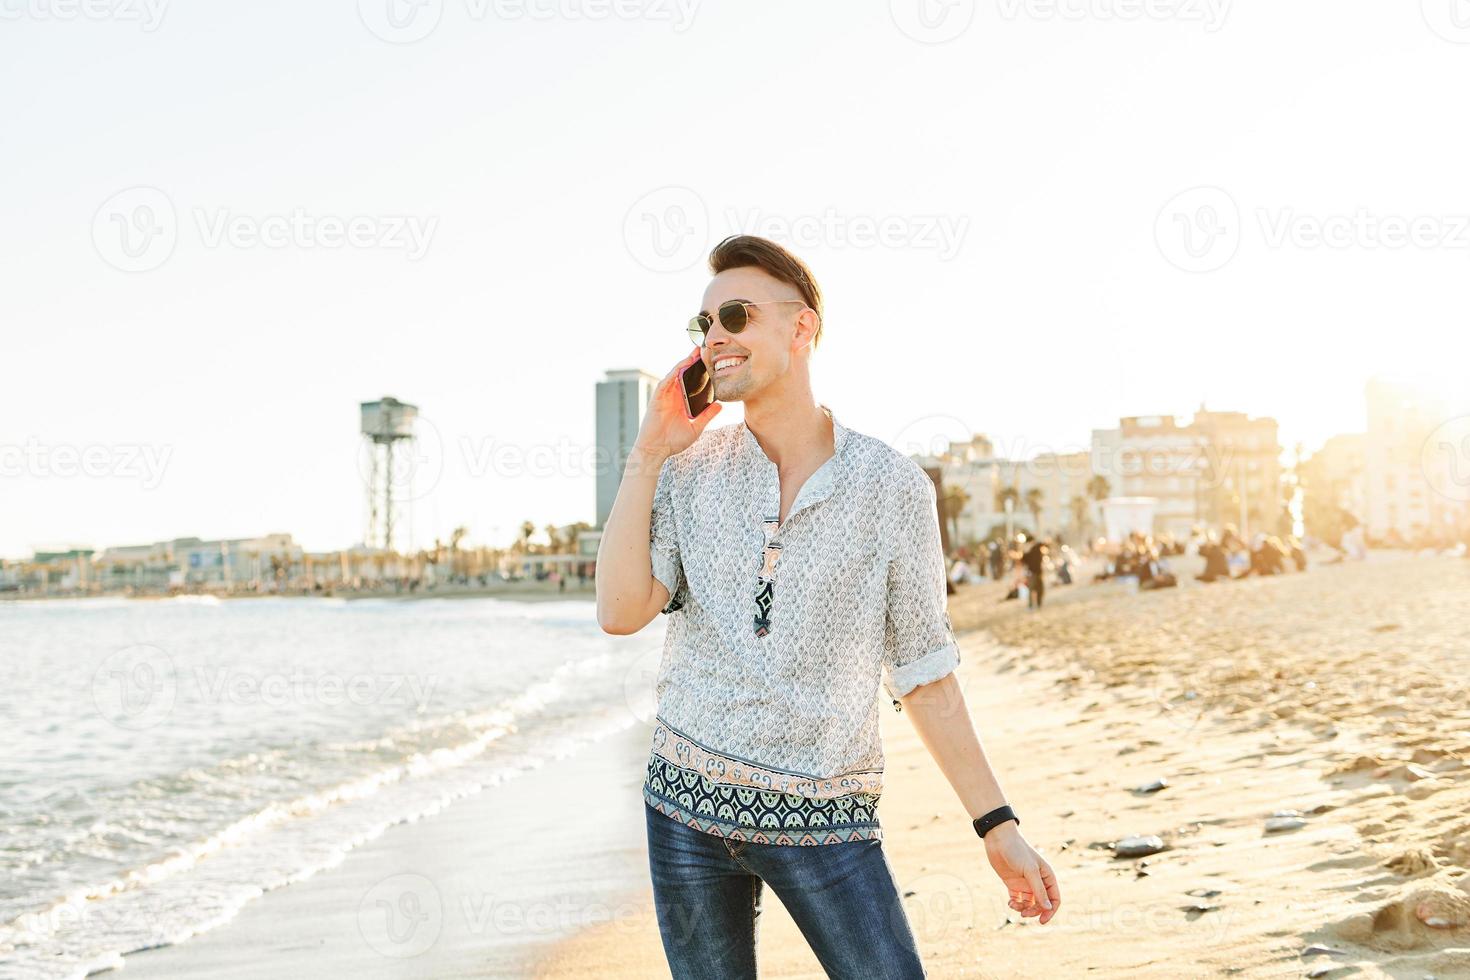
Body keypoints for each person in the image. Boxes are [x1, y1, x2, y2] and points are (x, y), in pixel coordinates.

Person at [597, 235, 1059, 978]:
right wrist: (648, 454)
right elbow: (620, 611)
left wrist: (996, 823)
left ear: (801, 328)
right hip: (681, 815)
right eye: (704, 324)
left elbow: (923, 670)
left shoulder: (892, 487)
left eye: (737, 316)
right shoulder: (686, 471)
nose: (715, 336)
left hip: (826, 823)